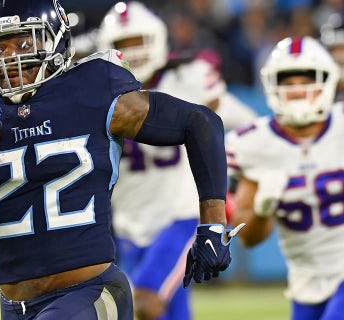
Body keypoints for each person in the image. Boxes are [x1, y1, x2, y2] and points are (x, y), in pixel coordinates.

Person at [0, 0, 240, 319]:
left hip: (91, 292)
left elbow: (200, 122)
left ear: (55, 41)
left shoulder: (93, 89)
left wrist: (212, 222)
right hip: (15, 306)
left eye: (23, 44)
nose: (9, 58)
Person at [97, 2, 255, 319]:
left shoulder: (190, 77)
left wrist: (230, 180)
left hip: (180, 217)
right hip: (129, 223)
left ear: (156, 39)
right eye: (123, 45)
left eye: (138, 41)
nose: (133, 52)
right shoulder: (100, 93)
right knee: (171, 311)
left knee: (142, 302)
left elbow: (246, 126)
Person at [228, 36, 344, 320]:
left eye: (306, 82)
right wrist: (263, 210)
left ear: (327, 83)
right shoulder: (255, 144)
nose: (297, 91)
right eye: (288, 84)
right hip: (306, 278)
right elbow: (249, 239)